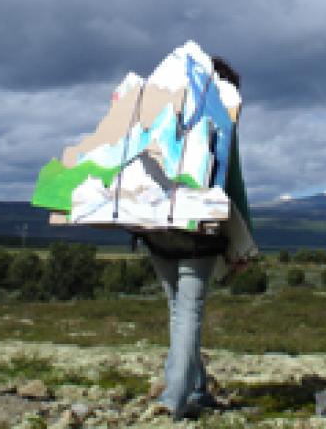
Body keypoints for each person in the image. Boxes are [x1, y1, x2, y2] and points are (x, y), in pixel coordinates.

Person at [138, 56, 254, 420]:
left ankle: (197, 387)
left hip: (154, 228)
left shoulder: (158, 120)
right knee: (188, 313)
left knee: (178, 311)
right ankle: (174, 399)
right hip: (197, 232)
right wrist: (244, 241)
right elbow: (232, 185)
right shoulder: (218, 125)